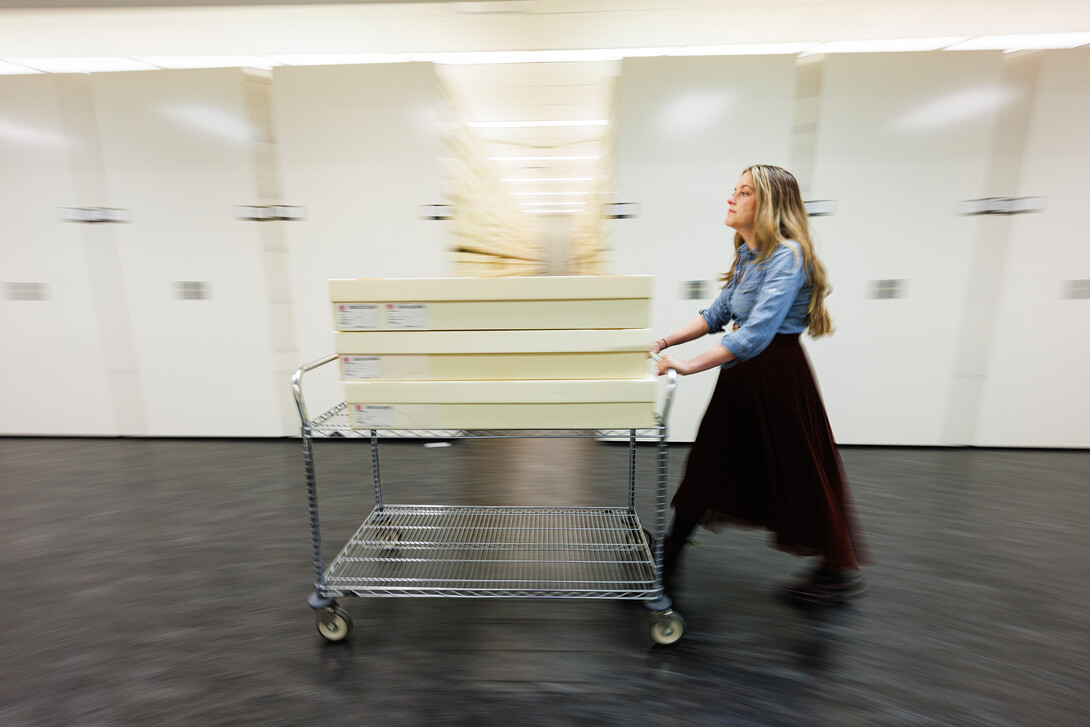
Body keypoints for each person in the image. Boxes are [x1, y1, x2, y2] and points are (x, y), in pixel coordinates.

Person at [652, 164, 868, 604]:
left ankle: (837, 570)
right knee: (707, 465)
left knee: (800, 472)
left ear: (767, 204)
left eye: (744, 192)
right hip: (743, 375)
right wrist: (659, 342)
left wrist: (689, 366)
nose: (732, 198)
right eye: (734, 190)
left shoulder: (788, 256)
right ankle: (669, 558)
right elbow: (716, 316)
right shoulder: (750, 256)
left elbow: (755, 334)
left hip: (777, 377)